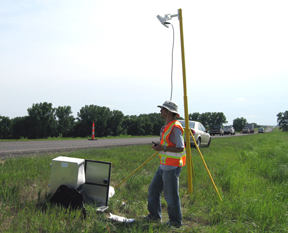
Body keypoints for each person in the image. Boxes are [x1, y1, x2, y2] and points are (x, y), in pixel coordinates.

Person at [144, 100, 186, 228]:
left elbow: (180, 148)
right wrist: (160, 147)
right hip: (164, 166)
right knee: (153, 190)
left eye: (162, 109)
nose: (160, 111)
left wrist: (162, 148)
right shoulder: (168, 126)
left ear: (169, 112)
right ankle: (154, 216)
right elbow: (167, 145)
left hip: (172, 167)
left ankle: (175, 223)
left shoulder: (176, 127)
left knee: (171, 196)